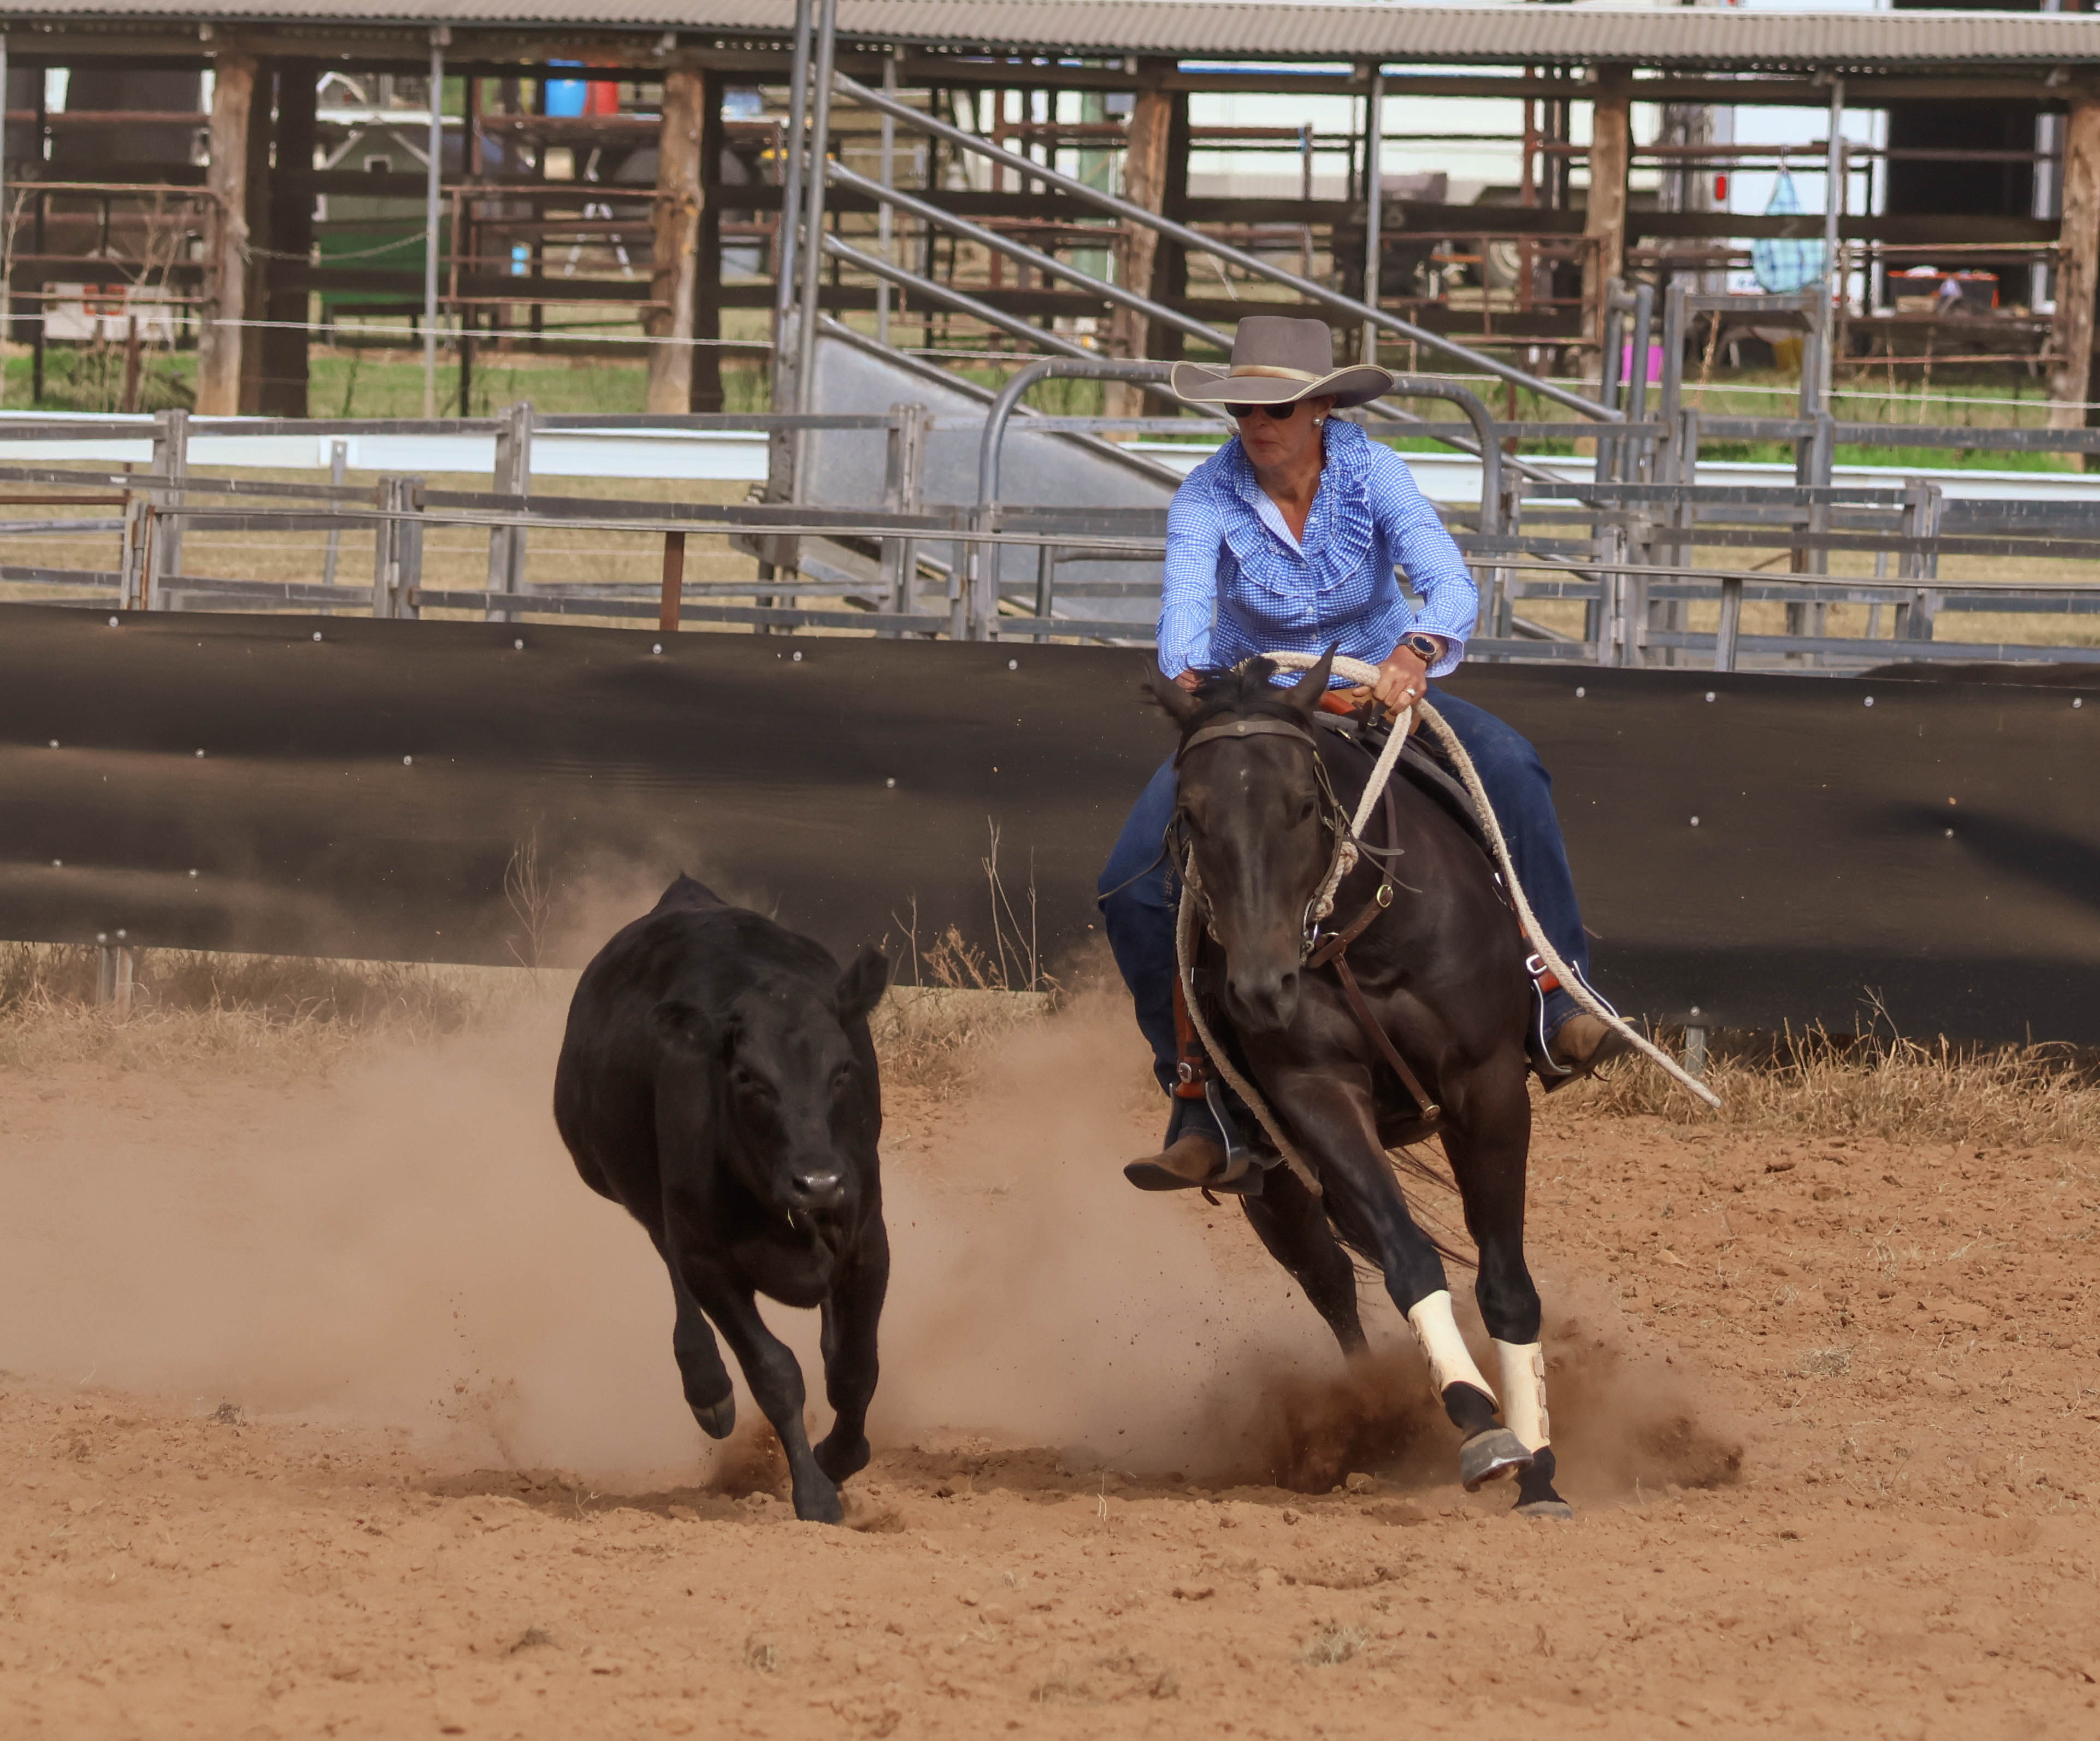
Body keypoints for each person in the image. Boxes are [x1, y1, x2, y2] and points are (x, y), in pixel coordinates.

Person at [1097, 315, 1621, 1194]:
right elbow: (1183, 620)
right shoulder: (1205, 497)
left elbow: (1447, 583)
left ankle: (1557, 993)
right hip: (1258, 713)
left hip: (1383, 689)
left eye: (1277, 407)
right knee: (1129, 885)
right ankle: (1198, 1098)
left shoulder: (1374, 472)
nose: (1257, 424)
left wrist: (1415, 652)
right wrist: (1194, 680)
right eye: (1243, 409)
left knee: (1514, 768)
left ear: (1321, 408)